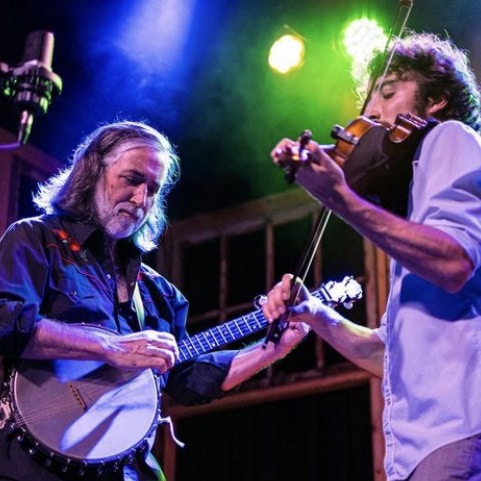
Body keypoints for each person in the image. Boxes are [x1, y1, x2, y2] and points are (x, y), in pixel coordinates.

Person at [0, 120, 308, 481]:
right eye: (132, 179)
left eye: (153, 189)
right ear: (93, 171)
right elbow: (7, 321)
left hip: (127, 470)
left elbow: (184, 380)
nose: (140, 199)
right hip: (31, 466)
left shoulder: (159, 294)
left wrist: (273, 349)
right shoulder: (36, 239)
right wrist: (110, 346)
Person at [263, 32, 481, 481]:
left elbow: (455, 262)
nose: (370, 113)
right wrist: (315, 313)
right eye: (368, 103)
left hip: (459, 431)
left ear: (437, 99)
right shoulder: (412, 208)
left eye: (388, 91)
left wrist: (343, 200)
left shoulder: (449, 139)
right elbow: (386, 353)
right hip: (416, 451)